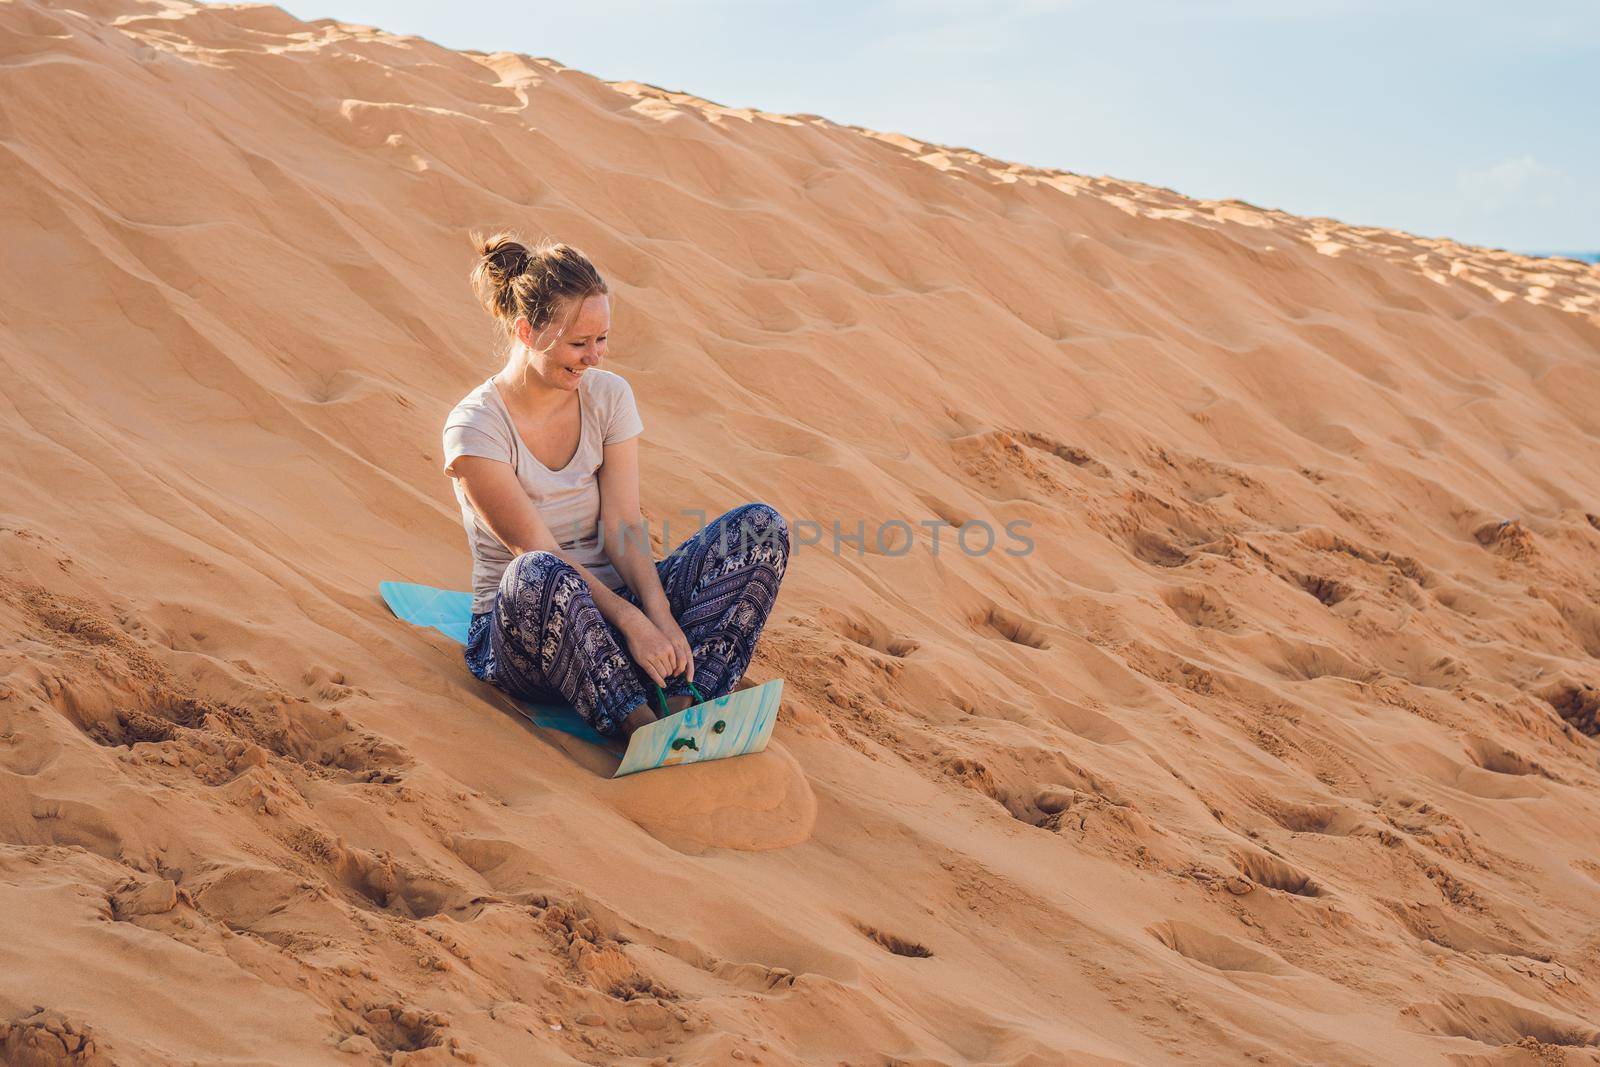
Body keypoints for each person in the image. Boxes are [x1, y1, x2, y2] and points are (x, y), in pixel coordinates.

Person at [441, 232, 789, 753]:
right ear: (527, 331)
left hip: (616, 615)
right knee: (538, 573)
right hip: (527, 636)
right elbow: (539, 551)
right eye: (578, 344)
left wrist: (659, 616)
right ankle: (641, 725)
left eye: (602, 340)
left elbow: (623, 526)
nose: (594, 358)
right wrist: (631, 622)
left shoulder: (609, 397)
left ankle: (690, 698)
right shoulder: (474, 430)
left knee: (761, 529)